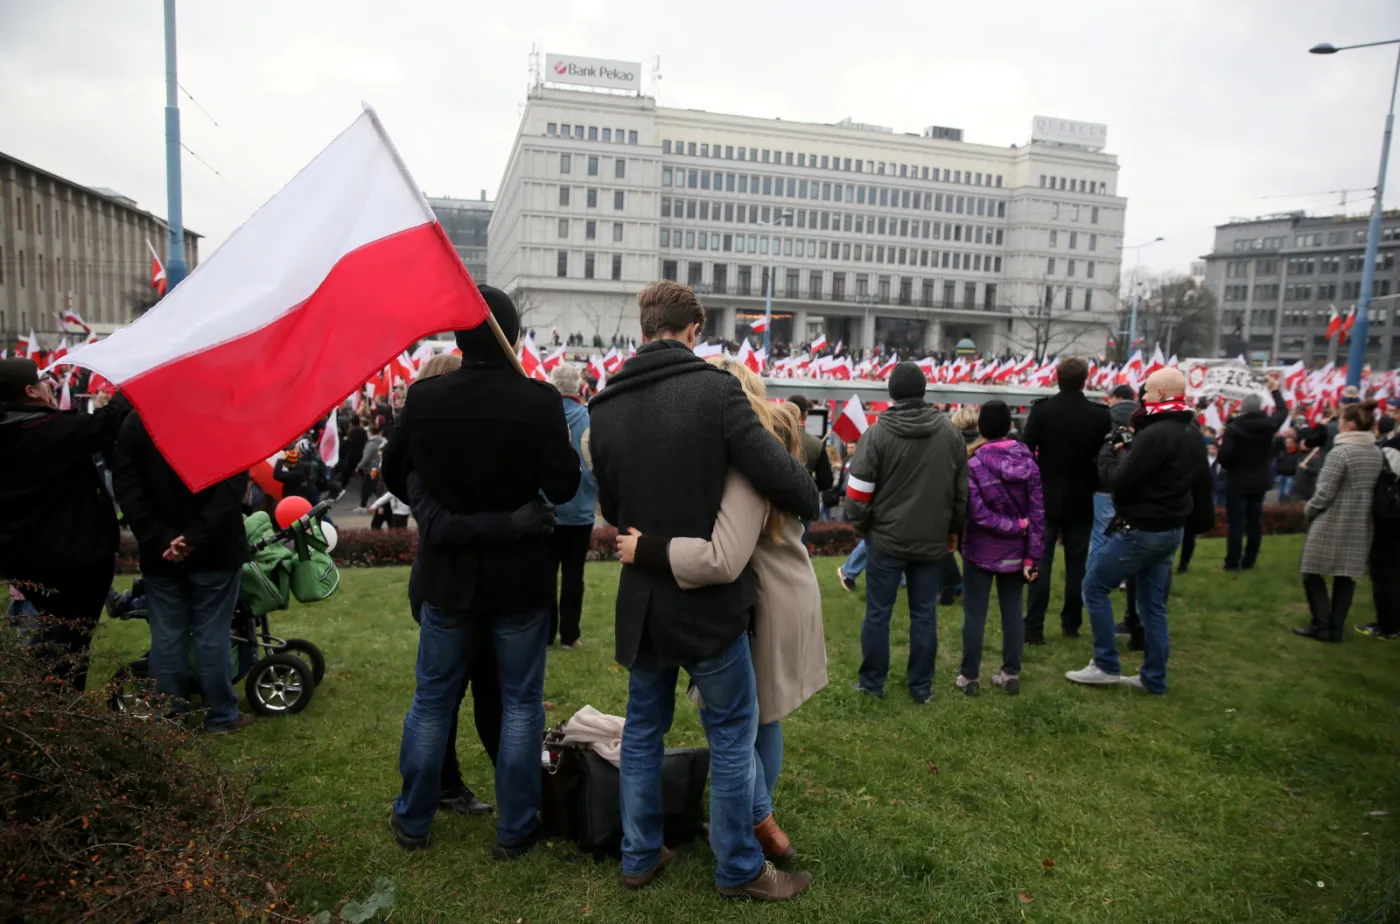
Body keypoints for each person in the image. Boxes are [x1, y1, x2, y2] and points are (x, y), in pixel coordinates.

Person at [587, 281, 818, 900]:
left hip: (643, 597)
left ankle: (639, 854)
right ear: (695, 329)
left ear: (644, 329)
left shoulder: (604, 406)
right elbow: (786, 480)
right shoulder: (717, 393)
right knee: (732, 733)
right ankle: (740, 869)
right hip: (708, 605)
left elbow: (612, 505)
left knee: (642, 732)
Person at [382, 285, 580, 857]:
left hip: (448, 575)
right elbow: (564, 485)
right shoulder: (540, 401)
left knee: (432, 699)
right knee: (520, 704)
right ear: (513, 337)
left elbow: (397, 471)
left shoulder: (425, 399)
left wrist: (435, 499)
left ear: (460, 339)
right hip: (519, 578)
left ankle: (412, 820)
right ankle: (516, 829)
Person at [618, 369, 826, 863]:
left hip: (765, 601)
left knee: (746, 721)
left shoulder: (745, 460)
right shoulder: (767, 447)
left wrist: (648, 549)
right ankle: (754, 819)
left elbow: (723, 557)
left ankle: (754, 822)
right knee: (759, 718)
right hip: (778, 593)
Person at [1066, 369, 1212, 695]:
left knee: (1094, 585)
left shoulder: (1156, 434)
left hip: (1142, 529)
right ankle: (1153, 679)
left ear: (1160, 392)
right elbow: (1201, 482)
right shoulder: (1191, 431)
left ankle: (1105, 665)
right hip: (1170, 529)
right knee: (1152, 606)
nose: (1142, 397)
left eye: (1146, 392)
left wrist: (1111, 451)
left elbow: (1122, 479)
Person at [111, 413, 253, 733]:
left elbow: (127, 485)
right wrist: (192, 537)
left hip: (163, 553)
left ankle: (168, 714)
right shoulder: (220, 417)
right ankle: (220, 714)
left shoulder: (137, 421)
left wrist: (160, 537)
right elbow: (231, 486)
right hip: (214, 550)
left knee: (167, 636)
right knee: (212, 635)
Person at [0, 358, 130, 690]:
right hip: (71, 560)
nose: (50, 385)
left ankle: (43, 706)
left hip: (25, 558)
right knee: (69, 642)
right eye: (44, 381)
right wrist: (130, 380)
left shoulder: (14, 431)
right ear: (30, 391)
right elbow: (107, 423)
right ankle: (59, 708)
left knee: (50, 635)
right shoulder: (42, 432)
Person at [844, 362, 968, 705]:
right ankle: (920, 687)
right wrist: (954, 530)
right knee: (924, 613)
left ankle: (872, 684)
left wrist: (863, 526)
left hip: (885, 539)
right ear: (923, 391)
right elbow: (961, 492)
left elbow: (857, 495)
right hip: (931, 540)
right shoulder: (950, 433)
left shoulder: (876, 434)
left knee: (878, 613)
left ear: (891, 393)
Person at [1022, 358, 1112, 643]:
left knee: (1040, 562)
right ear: (1085, 380)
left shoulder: (1042, 411)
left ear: (1056, 376)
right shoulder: (1099, 415)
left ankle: (1033, 627)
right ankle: (1071, 623)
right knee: (1077, 565)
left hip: (1045, 496)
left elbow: (1025, 452)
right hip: (1082, 497)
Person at [957, 401, 1043, 696]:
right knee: (1012, 613)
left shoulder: (974, 465)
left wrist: (1015, 527)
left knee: (975, 615)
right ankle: (1011, 673)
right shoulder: (1030, 464)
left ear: (981, 428)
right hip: (1016, 552)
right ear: (1010, 426)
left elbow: (978, 514)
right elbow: (1038, 515)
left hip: (980, 550)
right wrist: (1032, 552)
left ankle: (969, 677)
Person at [1292, 401, 1384, 643]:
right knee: (1346, 577)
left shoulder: (1341, 452)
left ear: (1350, 424)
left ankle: (1321, 624)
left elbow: (1325, 492)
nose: (1338, 424)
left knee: (1312, 571)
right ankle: (1336, 628)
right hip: (1361, 521)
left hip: (1332, 519)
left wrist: (1309, 510)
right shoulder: (1376, 452)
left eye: (1342, 419)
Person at [548, 363, 597, 650]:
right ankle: (569, 635)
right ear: (578, 387)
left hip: (546, 508)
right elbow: (596, 465)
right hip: (580, 510)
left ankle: (545, 633)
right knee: (573, 575)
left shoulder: (542, 418)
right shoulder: (590, 419)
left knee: (545, 575)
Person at [1217, 376, 1288, 570]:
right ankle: (1250, 560)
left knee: (1236, 523)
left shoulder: (1234, 427)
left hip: (1237, 480)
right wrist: (1275, 391)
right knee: (1255, 522)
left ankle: (1232, 562)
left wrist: (1230, 465)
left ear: (1243, 408)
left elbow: (1224, 457)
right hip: (1259, 480)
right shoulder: (1269, 425)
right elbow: (1283, 411)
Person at [1360, 426, 1400, 639]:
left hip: (1391, 518)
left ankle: (1388, 625)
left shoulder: (1394, 448)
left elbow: (1386, 477)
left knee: (1385, 570)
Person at [785, 395, 835, 499]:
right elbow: (826, 481)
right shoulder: (816, 444)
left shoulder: (770, 437)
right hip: (803, 504)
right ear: (805, 415)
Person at [356, 424, 386, 512]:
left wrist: (359, 466)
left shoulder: (371, 444)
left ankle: (363, 506)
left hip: (371, 469)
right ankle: (380, 505)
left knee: (366, 487)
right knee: (374, 487)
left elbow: (366, 457)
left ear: (370, 433)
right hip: (378, 467)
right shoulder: (383, 441)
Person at [1273, 433, 1301, 503]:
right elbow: (1278, 462)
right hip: (1280, 475)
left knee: (1286, 493)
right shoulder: (1281, 452)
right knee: (1279, 493)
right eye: (1286, 442)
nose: (1287, 444)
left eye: (1290, 442)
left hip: (1290, 476)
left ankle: (1285, 507)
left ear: (1294, 443)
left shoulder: (1297, 454)